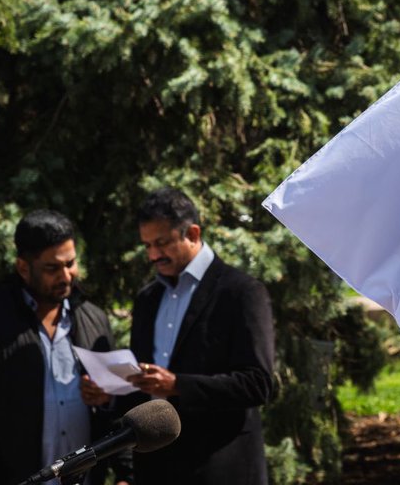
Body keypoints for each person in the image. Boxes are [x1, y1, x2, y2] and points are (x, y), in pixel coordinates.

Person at [85, 187, 274, 485]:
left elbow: (258, 384)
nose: (153, 255)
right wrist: (110, 394)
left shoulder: (242, 292)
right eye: (147, 245)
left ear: (193, 233)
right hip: (157, 468)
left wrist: (177, 385)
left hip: (221, 466)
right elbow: (147, 387)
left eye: (161, 243)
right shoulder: (148, 299)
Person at [0, 210, 130, 485]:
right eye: (52, 268)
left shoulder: (95, 319)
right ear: (23, 267)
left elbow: (117, 411)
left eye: (71, 263)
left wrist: (125, 474)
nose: (67, 276)